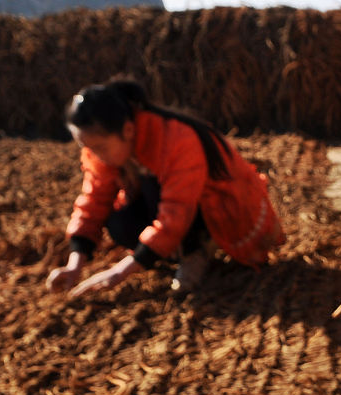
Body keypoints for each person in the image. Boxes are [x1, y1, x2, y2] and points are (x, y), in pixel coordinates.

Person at [47, 80, 284, 297]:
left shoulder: (177, 140)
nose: (94, 155)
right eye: (86, 147)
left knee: (153, 187)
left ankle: (195, 249)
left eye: (99, 147)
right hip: (172, 209)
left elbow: (176, 210)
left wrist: (121, 271)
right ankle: (173, 250)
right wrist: (74, 264)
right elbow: (93, 199)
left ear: (127, 130)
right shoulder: (104, 149)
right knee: (120, 224)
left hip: (224, 210)